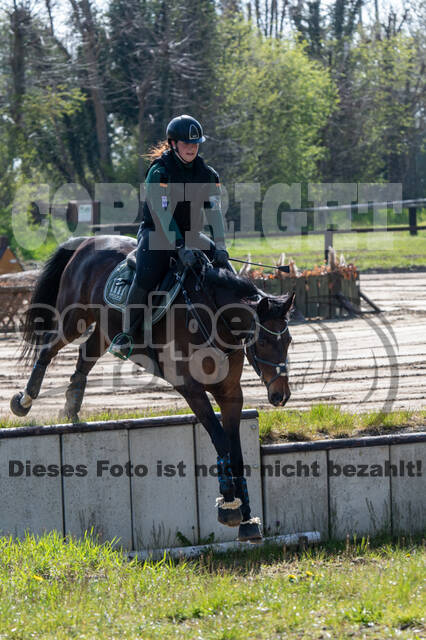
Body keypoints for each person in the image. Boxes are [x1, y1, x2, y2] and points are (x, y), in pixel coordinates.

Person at [109, 114, 229, 359]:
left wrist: (220, 246)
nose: (192, 148)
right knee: (146, 274)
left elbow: (214, 214)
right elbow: (163, 215)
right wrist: (179, 246)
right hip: (157, 234)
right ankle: (127, 335)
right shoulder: (159, 172)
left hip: (192, 235)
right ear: (173, 143)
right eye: (186, 143)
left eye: (195, 144)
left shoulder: (209, 175)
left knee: (225, 268)